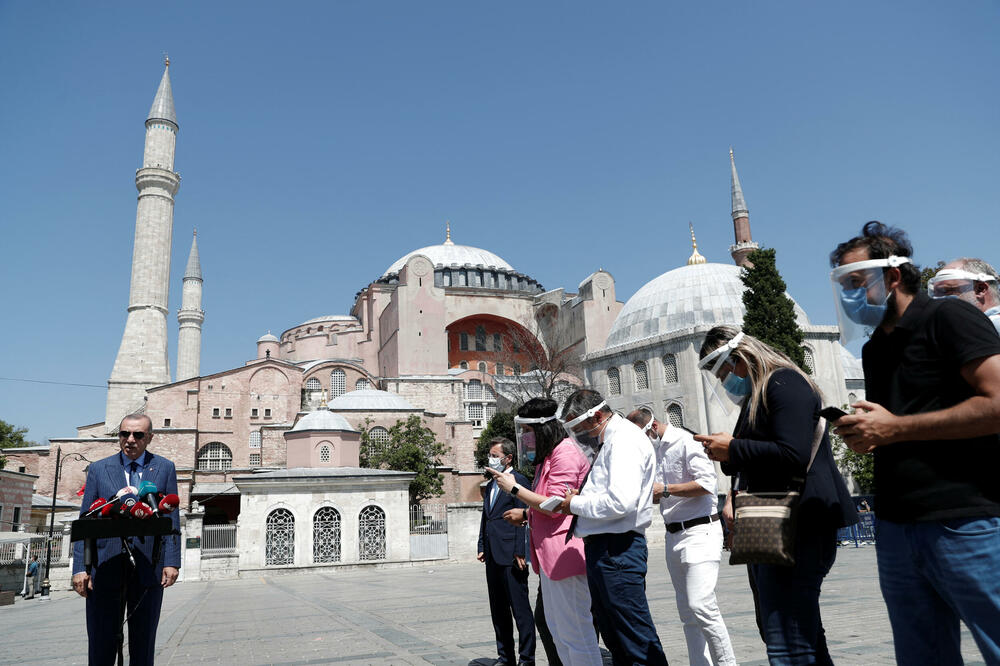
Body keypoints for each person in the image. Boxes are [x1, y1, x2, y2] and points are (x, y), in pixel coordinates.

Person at [829, 221, 1000, 665]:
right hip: (898, 529)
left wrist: (896, 428)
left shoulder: (949, 317)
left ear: (893, 276)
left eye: (854, 282)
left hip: (965, 520)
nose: (848, 295)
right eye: (842, 285)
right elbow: (893, 424)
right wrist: (866, 435)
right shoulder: (874, 348)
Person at [695, 326, 857, 665]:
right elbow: (759, 454)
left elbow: (792, 453)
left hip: (801, 519)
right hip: (769, 517)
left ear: (740, 358)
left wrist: (735, 447)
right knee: (796, 632)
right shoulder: (759, 392)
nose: (723, 380)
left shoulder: (783, 383)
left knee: (787, 636)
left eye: (722, 370)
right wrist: (726, 452)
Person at [556, 389, 669, 666]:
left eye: (579, 428)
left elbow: (621, 502)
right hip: (605, 549)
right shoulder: (611, 440)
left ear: (596, 416)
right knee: (617, 637)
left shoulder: (624, 441)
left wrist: (576, 504)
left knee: (635, 639)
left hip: (617, 549)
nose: (580, 435)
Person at [490, 398, 602, 666]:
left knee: (576, 631)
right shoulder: (548, 457)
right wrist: (528, 513)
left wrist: (514, 489)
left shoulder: (565, 452)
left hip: (567, 554)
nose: (526, 439)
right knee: (557, 630)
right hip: (550, 558)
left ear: (543, 429)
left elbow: (554, 506)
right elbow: (542, 505)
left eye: (528, 432)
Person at [626, 409, 737, 666]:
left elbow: (708, 483)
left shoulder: (686, 441)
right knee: (687, 613)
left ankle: (728, 663)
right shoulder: (651, 450)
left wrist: (665, 489)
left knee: (702, 606)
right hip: (673, 533)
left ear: (652, 427)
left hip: (700, 531)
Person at [72, 413, 181, 666]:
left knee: (143, 642)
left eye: (138, 435)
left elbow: (172, 520)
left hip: (147, 567)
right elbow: (84, 521)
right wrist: (80, 568)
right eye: (124, 434)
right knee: (101, 641)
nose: (130, 440)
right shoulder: (100, 469)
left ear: (150, 438)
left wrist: (172, 561)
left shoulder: (164, 467)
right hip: (105, 566)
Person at [478, 437, 536, 666]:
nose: (491, 459)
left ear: (508, 458)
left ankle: (527, 659)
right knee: (498, 610)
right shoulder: (492, 483)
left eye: (495, 455)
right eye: (490, 455)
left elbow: (526, 516)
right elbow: (487, 518)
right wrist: (482, 546)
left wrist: (521, 550)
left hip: (513, 556)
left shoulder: (518, 481)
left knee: (520, 611)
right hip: (493, 555)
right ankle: (505, 657)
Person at [928, 257, 1000, 334]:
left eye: (947, 291)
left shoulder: (992, 328)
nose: (936, 301)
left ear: (980, 289)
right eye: (934, 294)